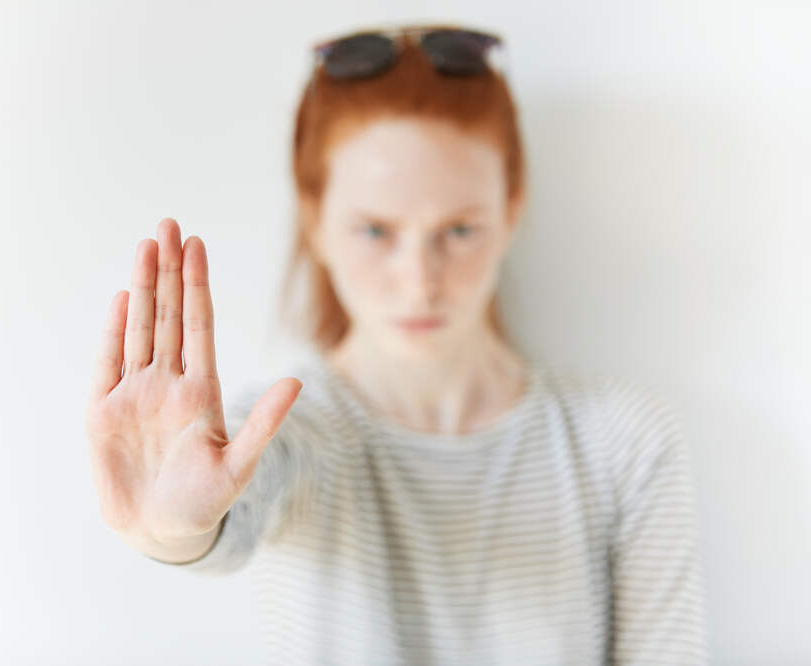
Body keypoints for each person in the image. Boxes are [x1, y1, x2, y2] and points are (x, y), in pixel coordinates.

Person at [85, 23, 708, 665]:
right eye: (376, 231)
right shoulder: (293, 434)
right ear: (315, 221)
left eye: (460, 230)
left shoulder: (623, 443)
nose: (419, 282)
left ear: (512, 210)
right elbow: (224, 507)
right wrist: (171, 532)